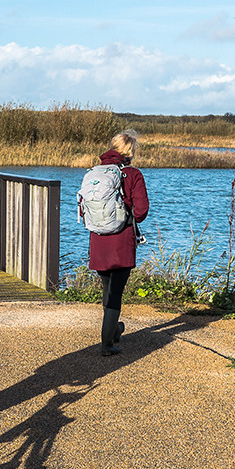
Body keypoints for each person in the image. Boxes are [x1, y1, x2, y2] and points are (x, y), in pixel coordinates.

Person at [88, 130, 149, 356]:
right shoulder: (132, 174)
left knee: (107, 287)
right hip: (121, 241)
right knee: (116, 294)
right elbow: (141, 212)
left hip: (98, 238)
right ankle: (107, 345)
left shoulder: (95, 172)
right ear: (130, 151)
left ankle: (114, 331)